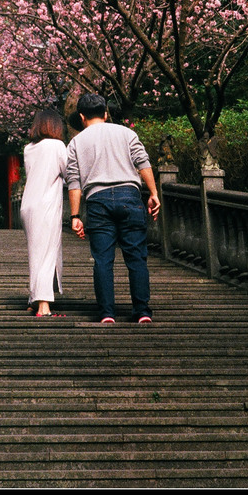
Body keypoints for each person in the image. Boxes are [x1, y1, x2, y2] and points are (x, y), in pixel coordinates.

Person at [67, 92, 160, 325]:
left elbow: (74, 181)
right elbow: (142, 162)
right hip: (129, 195)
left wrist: (75, 215)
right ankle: (142, 312)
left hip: (97, 200)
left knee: (103, 260)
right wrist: (154, 193)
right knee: (137, 258)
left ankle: (107, 313)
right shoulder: (126, 133)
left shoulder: (76, 142)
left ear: (81, 117)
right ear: (106, 114)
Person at [20, 108, 68, 317]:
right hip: (47, 204)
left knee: (36, 253)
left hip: (28, 204)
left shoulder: (28, 148)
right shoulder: (57, 146)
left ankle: (34, 298)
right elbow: (69, 172)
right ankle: (44, 306)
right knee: (47, 252)